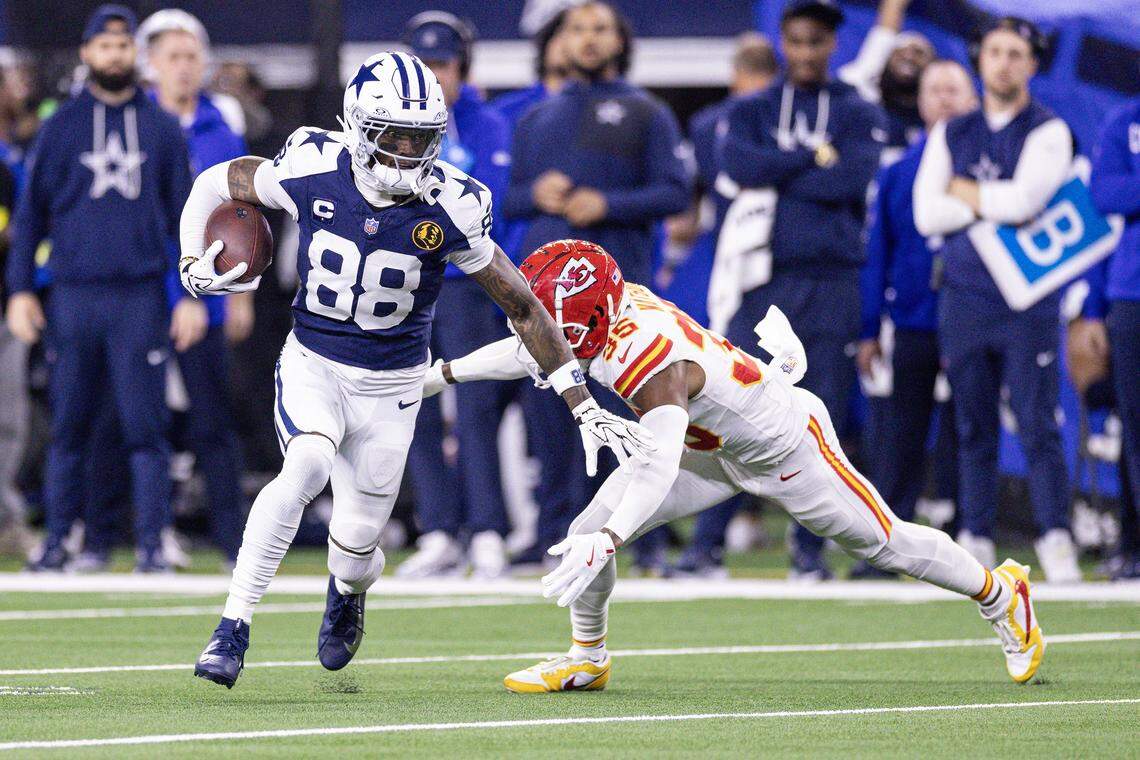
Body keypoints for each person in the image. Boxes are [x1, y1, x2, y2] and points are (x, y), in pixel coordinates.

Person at [179, 51, 653, 689]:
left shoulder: (454, 203)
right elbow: (214, 183)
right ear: (356, 126)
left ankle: (348, 591)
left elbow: (522, 306)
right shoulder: (312, 163)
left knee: (356, 544)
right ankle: (232, 627)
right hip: (316, 361)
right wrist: (191, 262)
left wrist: (581, 401)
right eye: (392, 137)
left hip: (394, 383)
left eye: (419, 139)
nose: (406, 153)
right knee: (307, 465)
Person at [425, 239, 1046, 691]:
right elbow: (530, 345)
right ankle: (588, 658)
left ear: (589, 320)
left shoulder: (652, 359)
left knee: (885, 544)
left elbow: (656, 465)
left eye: (553, 326)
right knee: (583, 535)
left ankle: (1001, 594)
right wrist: (441, 375)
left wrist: (613, 538)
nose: (541, 335)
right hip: (707, 449)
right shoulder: (600, 313)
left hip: (784, 449)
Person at [503, 0, 690, 573]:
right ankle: (551, 536)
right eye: (577, 28)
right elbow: (509, 199)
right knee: (551, 421)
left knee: (632, 417)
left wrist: (606, 204)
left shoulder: (647, 112)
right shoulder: (537, 118)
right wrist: (535, 194)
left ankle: (645, 542)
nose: (588, 38)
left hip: (619, 303)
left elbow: (676, 192)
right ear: (560, 41)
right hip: (546, 305)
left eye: (600, 29)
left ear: (620, 41)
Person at [4, 5, 193, 572]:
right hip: (73, 294)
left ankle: (152, 545)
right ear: (87, 53)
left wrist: (189, 296)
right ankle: (58, 542)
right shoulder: (60, 126)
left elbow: (186, 219)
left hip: (139, 295)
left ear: (135, 53)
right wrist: (20, 290)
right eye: (105, 46)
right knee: (69, 426)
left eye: (123, 45)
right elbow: (30, 216)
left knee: (146, 427)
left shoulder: (162, 128)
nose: (115, 55)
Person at [717, 0, 885, 579]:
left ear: (832, 44)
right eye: (797, 41)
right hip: (765, 282)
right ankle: (704, 547)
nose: (807, 52)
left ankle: (809, 553)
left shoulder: (857, 109)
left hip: (834, 280)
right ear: (782, 43)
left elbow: (851, 179)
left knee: (824, 420)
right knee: (735, 407)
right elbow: (739, 165)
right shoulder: (754, 107)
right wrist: (811, 158)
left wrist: (780, 170)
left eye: (817, 41)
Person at [913, 17, 1080, 581]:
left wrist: (964, 191)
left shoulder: (1049, 130)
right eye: (994, 52)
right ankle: (977, 536)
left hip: (1028, 302)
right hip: (964, 297)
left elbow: (1026, 201)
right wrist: (994, 202)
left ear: (1032, 64)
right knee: (971, 422)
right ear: (979, 59)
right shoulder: (952, 131)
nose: (1003, 63)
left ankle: (1056, 538)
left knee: (1038, 422)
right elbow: (926, 214)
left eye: (1015, 54)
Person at [398, 11, 516, 579]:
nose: (434, 76)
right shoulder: (389, 123)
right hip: (409, 282)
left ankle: (487, 527)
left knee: (475, 405)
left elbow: (494, 204)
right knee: (412, 404)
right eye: (423, 66)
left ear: (461, 68)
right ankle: (440, 529)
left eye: (442, 65)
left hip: (467, 284)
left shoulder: (486, 123)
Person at [853, 60, 977, 578]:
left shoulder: (989, 166)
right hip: (914, 320)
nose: (944, 99)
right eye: (935, 90)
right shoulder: (898, 171)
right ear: (921, 102)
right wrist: (868, 329)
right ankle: (888, 548)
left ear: (971, 99)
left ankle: (975, 541)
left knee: (973, 429)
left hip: (975, 318)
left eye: (954, 89)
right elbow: (877, 253)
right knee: (901, 435)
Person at [140, 8, 251, 566]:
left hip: (206, 293)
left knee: (213, 421)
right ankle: (144, 531)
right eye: (173, 57)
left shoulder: (220, 128)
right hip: (143, 291)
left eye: (191, 56)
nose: (184, 67)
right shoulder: (134, 124)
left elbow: (245, 214)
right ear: (151, 64)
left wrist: (242, 291)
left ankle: (236, 541)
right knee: (138, 420)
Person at [668, 32, 779, 577]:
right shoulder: (751, 120)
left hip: (732, 268)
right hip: (770, 266)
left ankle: (711, 537)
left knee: (728, 401)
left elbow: (690, 213)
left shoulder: (712, 122)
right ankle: (795, 543)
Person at [1073, 95, 1140, 579]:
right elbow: (1106, 195)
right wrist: (1094, 308)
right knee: (1134, 425)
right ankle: (1133, 545)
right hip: (1132, 291)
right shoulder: (1125, 119)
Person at [838, 0, 934, 164]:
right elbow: (886, 28)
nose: (909, 56)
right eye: (901, 51)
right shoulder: (861, 85)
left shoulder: (934, 114)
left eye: (919, 53)